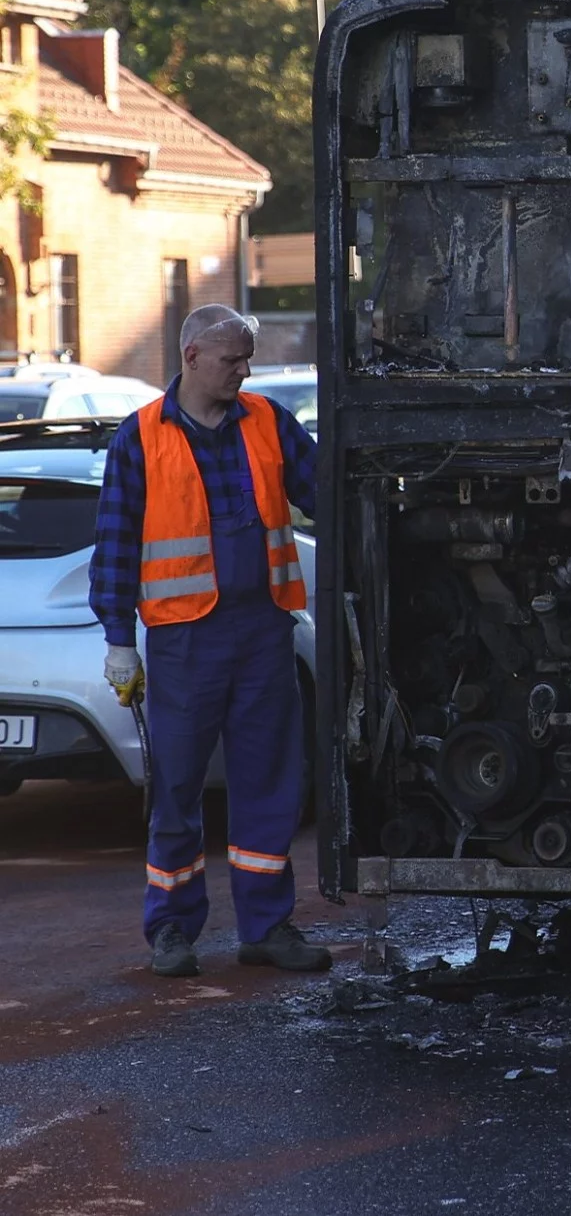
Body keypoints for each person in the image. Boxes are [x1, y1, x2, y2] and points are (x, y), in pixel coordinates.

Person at [89, 304, 330, 977]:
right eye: (233, 359)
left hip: (262, 630)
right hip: (185, 637)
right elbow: (115, 544)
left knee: (269, 780)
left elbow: (325, 493)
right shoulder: (141, 437)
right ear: (192, 356)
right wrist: (119, 639)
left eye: (248, 358)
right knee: (177, 787)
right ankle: (171, 928)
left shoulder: (269, 423)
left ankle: (266, 926)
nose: (244, 370)